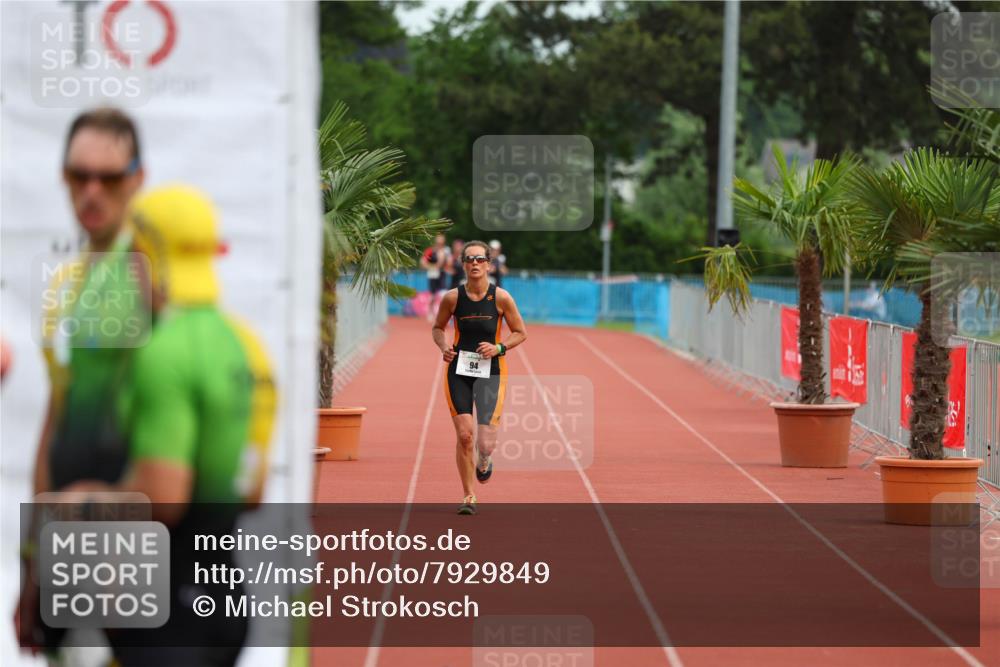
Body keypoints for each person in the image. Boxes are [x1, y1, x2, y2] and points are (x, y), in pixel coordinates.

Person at [29, 185, 277, 666]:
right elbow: (252, 488)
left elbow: (163, 499)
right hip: (224, 598)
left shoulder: (160, 350)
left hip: (164, 618)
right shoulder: (245, 343)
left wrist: (76, 501)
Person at [17, 108, 147, 660]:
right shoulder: (64, 284)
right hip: (66, 541)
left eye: (109, 177)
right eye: (78, 175)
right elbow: (56, 419)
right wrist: (31, 566)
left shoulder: (151, 279)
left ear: (137, 178)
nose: (92, 191)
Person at [432, 240, 527, 515]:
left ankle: (484, 460)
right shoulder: (452, 298)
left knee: (485, 443)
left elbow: (520, 332)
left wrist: (499, 347)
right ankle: (469, 495)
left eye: (480, 259)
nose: (475, 263)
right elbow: (438, 328)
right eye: (470, 259)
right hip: (458, 370)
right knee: (464, 435)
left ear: (488, 263)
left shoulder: (501, 298)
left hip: (492, 371)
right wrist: (443, 346)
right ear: (463, 264)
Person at [420, 233, 451, 320]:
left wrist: (444, 258)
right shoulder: (430, 250)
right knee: (432, 295)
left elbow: (448, 263)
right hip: (433, 274)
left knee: (443, 293)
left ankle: (443, 313)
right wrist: (431, 267)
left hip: (442, 274)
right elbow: (422, 262)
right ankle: (430, 312)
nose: (440, 244)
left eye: (441, 243)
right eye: (438, 242)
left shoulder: (446, 251)